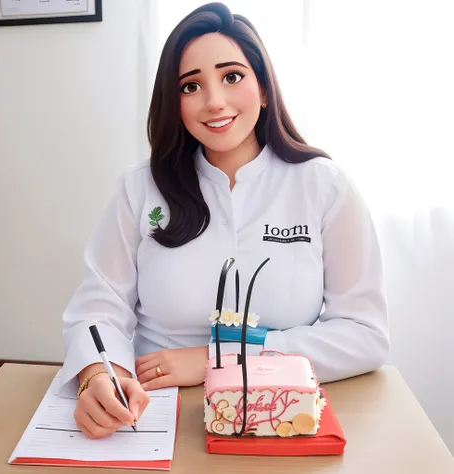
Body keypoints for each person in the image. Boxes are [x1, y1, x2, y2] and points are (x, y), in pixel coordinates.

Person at [60, 2, 389, 439]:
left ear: (265, 87)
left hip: (282, 409)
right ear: (173, 102)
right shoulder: (139, 189)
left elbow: (364, 335)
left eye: (232, 77)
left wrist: (225, 356)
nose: (214, 102)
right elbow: (98, 308)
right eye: (190, 86)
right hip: (154, 410)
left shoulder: (324, 187)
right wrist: (100, 375)